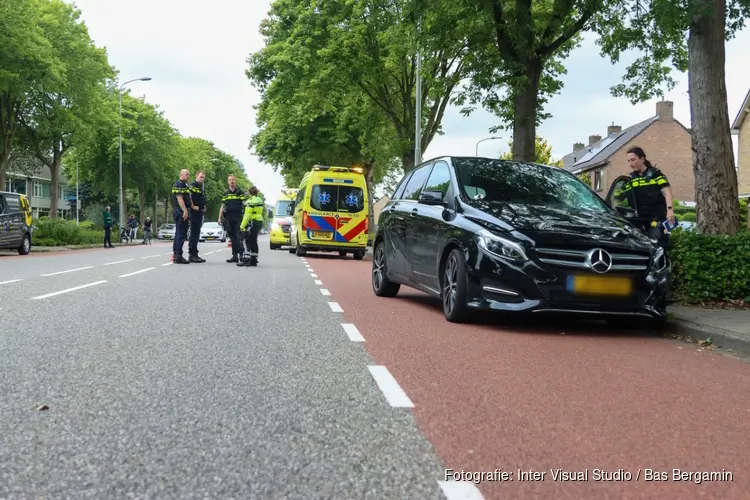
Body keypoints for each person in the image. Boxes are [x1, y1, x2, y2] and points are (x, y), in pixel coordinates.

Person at [619, 146, 676, 248]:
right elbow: (618, 197)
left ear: (642, 159)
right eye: (628, 161)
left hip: (657, 217)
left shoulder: (655, 174)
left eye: (633, 160)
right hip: (639, 220)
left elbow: (667, 192)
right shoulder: (630, 179)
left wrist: (670, 210)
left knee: (659, 246)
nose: (631, 163)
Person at [218, 174, 246, 263]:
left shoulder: (240, 192)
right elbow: (222, 206)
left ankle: (241, 255)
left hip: (238, 218)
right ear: (228, 182)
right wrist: (219, 218)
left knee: (238, 237)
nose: (232, 181)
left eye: (233, 180)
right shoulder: (226, 193)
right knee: (232, 238)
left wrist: (246, 217)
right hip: (229, 218)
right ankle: (234, 256)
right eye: (230, 180)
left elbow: (245, 204)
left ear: (235, 181)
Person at [238, 186, 264, 267]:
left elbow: (247, 214)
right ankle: (254, 259)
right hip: (259, 221)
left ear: (249, 192)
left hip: (252, 222)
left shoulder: (250, 201)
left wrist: (242, 225)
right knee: (254, 241)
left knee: (247, 241)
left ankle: (247, 259)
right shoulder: (259, 200)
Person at [171, 169, 192, 264]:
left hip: (179, 211)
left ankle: (176, 255)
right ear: (181, 174)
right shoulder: (179, 184)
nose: (188, 176)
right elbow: (180, 198)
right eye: (186, 174)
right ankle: (178, 255)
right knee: (181, 234)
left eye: (189, 174)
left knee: (179, 233)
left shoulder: (183, 185)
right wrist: (185, 211)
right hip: (180, 211)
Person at [187, 171, 207, 263]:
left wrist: (203, 207)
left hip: (199, 212)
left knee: (196, 233)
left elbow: (199, 198)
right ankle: (192, 255)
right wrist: (192, 206)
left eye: (203, 177)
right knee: (194, 234)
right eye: (201, 177)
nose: (202, 179)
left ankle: (195, 254)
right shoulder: (193, 185)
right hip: (194, 213)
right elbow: (189, 196)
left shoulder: (200, 187)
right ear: (196, 176)